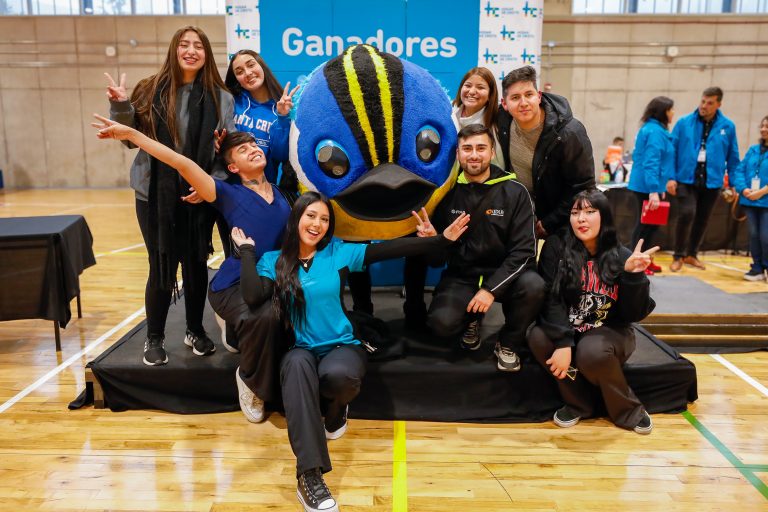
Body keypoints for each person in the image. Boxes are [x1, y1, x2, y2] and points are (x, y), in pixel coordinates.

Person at [235, 192, 469, 512]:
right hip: (301, 350)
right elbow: (251, 297)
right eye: (311, 216)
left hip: (341, 345)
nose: (317, 223)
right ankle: (310, 476)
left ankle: (336, 409)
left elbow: (387, 250)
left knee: (339, 376)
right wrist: (247, 253)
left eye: (324, 219)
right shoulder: (273, 260)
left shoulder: (337, 253)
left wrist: (439, 241)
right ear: (296, 219)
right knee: (295, 367)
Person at [92, 116, 292, 423]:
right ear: (233, 167)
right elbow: (180, 162)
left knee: (287, 317)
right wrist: (134, 134)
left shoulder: (281, 195)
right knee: (264, 318)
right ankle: (249, 381)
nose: (252, 148)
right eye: (242, 149)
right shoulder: (226, 193)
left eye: (254, 144)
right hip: (232, 285)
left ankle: (238, 335)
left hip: (266, 282)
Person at [105, 26, 235, 365]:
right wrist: (120, 105)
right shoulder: (150, 89)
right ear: (174, 50)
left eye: (199, 46)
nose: (191, 50)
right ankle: (155, 336)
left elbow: (226, 150)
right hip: (153, 194)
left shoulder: (221, 97)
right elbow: (130, 139)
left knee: (195, 264)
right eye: (184, 44)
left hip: (198, 192)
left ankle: (195, 329)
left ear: (207, 54)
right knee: (161, 263)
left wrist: (207, 185)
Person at [528, 189, 657, 434]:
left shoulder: (622, 256)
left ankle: (628, 409)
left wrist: (633, 276)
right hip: (570, 328)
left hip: (610, 333)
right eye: (575, 213)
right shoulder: (556, 246)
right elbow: (550, 299)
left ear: (604, 216)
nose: (581, 219)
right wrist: (563, 342)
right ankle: (579, 403)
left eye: (590, 212)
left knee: (591, 351)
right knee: (537, 337)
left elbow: (633, 314)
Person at [418, 124, 545, 371]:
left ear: (491, 152)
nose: (474, 155)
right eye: (467, 148)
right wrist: (434, 241)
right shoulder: (447, 193)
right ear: (458, 154)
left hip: (505, 275)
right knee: (441, 325)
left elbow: (524, 252)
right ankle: (471, 320)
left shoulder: (515, 191)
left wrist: (490, 290)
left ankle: (508, 343)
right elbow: (436, 260)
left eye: (480, 148)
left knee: (534, 286)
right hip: (463, 275)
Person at [403, 66, 503, 327]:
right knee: (421, 246)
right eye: (468, 85)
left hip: (475, 200)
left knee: (470, 256)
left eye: (481, 87)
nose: (473, 91)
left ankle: (472, 316)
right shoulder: (446, 114)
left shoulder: (496, 125)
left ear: (491, 94)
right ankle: (414, 308)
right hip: (439, 196)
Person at [496, 65, 595, 239]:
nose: (523, 103)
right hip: (520, 217)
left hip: (561, 221)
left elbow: (584, 187)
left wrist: (549, 222)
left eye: (529, 94)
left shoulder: (570, 133)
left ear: (539, 96)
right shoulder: (502, 121)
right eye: (515, 97)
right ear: (504, 104)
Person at [667, 86, 740, 272]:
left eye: (709, 103)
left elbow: (733, 156)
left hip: (712, 182)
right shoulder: (684, 123)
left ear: (718, 104)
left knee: (703, 219)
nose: (704, 106)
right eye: (703, 101)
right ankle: (678, 255)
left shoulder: (727, 126)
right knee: (687, 213)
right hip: (685, 179)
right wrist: (670, 177)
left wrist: (733, 184)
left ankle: (692, 254)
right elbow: (671, 151)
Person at [628, 96, 675, 275]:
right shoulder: (654, 131)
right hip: (646, 187)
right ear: (663, 112)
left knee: (652, 225)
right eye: (670, 110)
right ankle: (636, 261)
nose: (673, 113)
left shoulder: (657, 129)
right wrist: (654, 190)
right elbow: (651, 162)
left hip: (651, 185)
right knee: (644, 226)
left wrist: (659, 188)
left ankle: (645, 260)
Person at [731, 115, 768, 281]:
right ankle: (757, 267)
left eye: (767, 127)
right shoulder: (753, 150)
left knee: (765, 235)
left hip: (765, 200)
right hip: (750, 200)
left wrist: (762, 192)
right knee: (753, 234)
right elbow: (739, 170)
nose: (763, 129)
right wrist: (744, 189)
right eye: (762, 126)